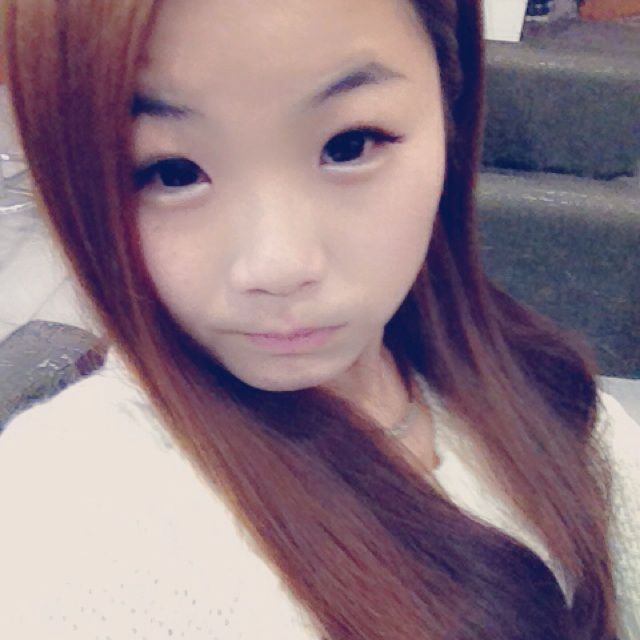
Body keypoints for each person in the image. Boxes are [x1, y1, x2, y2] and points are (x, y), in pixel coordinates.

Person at [0, 1, 637, 638]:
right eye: (172, 172)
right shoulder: (70, 514)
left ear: (450, 104)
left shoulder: (558, 406)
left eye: (348, 145)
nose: (277, 266)